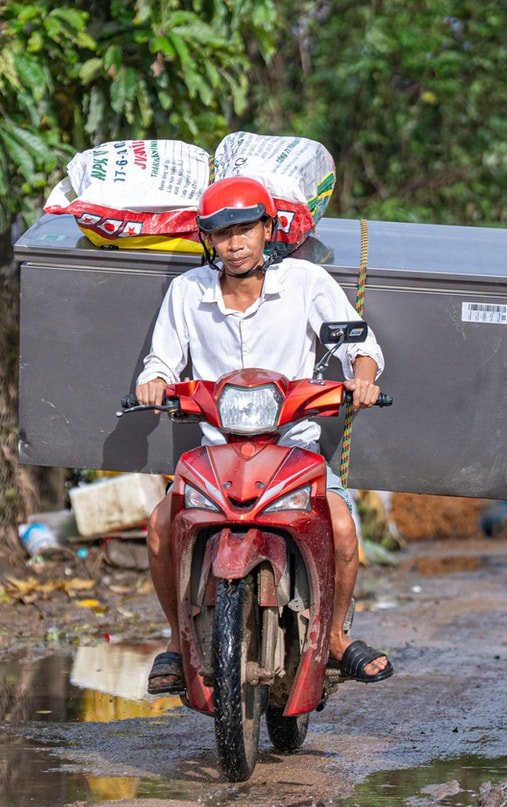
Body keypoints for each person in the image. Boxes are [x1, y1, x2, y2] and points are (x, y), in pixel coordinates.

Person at [137, 176, 394, 695]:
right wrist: (153, 382)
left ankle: (338, 639)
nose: (235, 242)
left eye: (244, 228)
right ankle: (175, 638)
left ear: (267, 228)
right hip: (216, 452)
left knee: (342, 526)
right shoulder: (186, 291)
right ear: (207, 240)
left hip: (292, 447)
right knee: (161, 525)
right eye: (221, 232)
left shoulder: (304, 281)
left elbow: (360, 343)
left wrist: (362, 377)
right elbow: (161, 358)